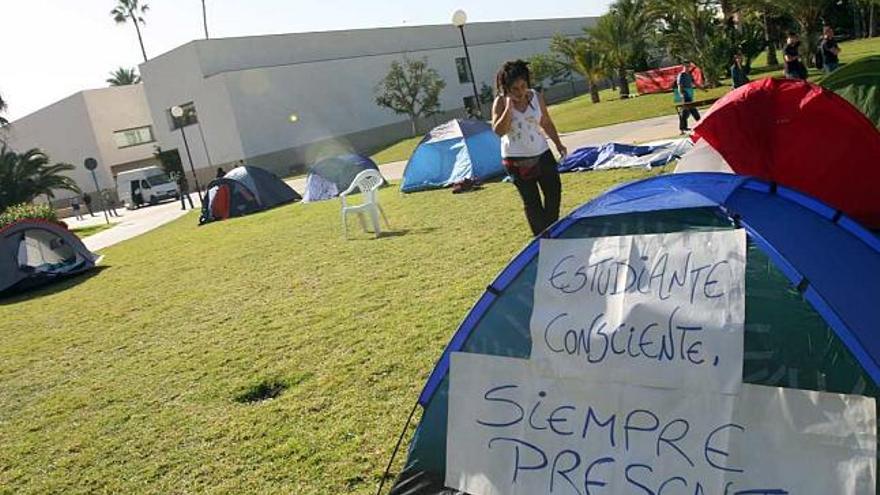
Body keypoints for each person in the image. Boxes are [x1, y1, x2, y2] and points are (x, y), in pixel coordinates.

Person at [492, 59, 567, 236]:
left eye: (523, 86)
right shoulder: (501, 102)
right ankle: (541, 239)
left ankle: (550, 231)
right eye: (515, 89)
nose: (520, 92)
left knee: (554, 193)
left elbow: (546, 122)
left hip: (542, 153)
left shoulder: (535, 96)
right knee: (532, 202)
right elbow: (499, 131)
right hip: (516, 160)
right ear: (506, 88)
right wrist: (508, 110)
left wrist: (558, 143)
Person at [676, 62, 703, 134]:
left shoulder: (689, 75)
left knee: (686, 112)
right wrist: (681, 94)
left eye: (689, 66)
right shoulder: (681, 75)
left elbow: (694, 83)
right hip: (684, 94)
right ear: (683, 66)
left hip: (689, 93)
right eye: (686, 66)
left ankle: (683, 128)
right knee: (691, 110)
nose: (688, 67)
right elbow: (679, 85)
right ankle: (700, 124)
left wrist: (703, 89)